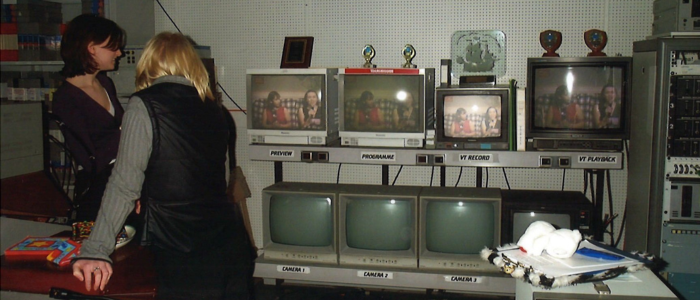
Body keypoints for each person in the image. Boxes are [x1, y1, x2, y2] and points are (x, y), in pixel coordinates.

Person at [71, 32, 255, 300]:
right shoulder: (216, 110)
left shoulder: (144, 104)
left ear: (149, 63)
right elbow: (221, 179)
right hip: (227, 243)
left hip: (180, 247)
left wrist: (95, 249)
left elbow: (123, 185)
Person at [52, 14, 126, 221]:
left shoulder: (105, 83)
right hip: (99, 193)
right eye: (113, 47)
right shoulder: (66, 98)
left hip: (121, 181)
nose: (119, 53)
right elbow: (90, 158)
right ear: (91, 48)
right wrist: (128, 130)